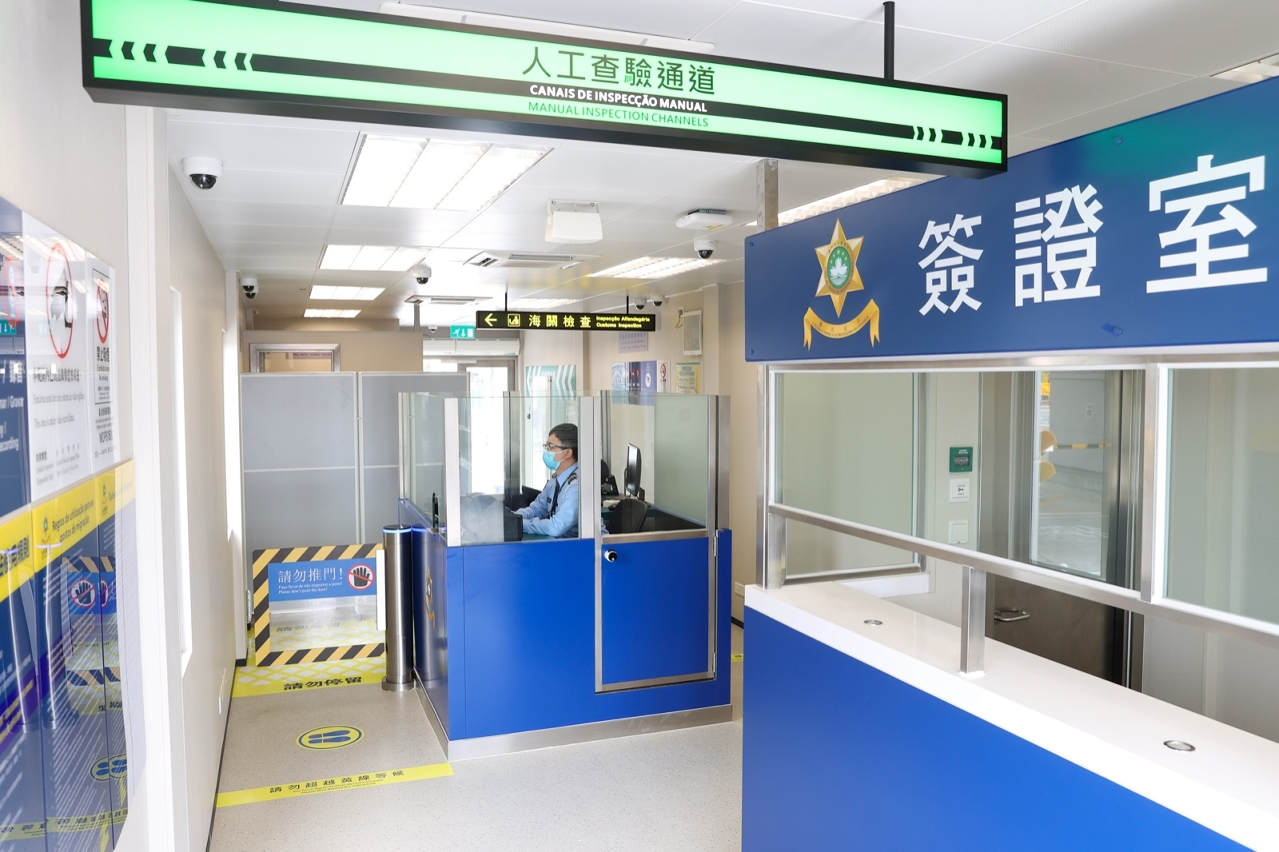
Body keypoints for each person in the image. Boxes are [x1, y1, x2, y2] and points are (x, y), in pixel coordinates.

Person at [517, 423, 581, 538]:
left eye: (551, 446)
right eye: (546, 446)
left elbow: (556, 527)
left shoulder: (577, 485)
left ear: (567, 453)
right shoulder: (556, 480)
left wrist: (519, 524)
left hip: (587, 546)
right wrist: (514, 517)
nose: (546, 450)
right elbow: (537, 509)